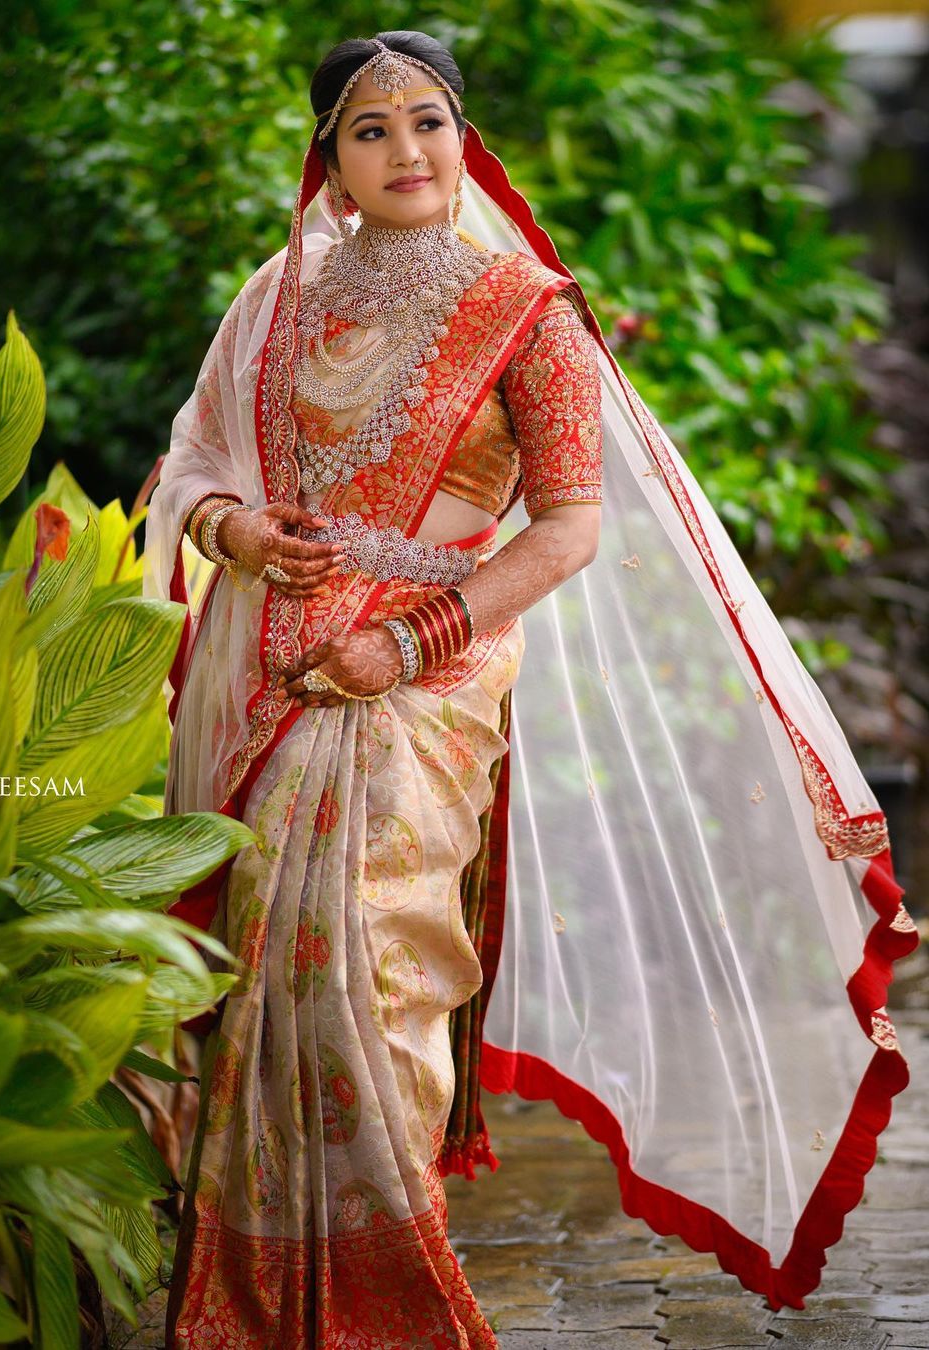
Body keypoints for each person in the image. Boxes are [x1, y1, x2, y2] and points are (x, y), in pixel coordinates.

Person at [142, 29, 918, 1348]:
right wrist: (244, 536)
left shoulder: (526, 312)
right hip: (273, 668)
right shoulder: (274, 296)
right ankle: (258, 1294)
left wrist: (408, 640)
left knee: (371, 978)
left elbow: (566, 531)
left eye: (429, 121)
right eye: (370, 128)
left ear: (465, 138)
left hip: (425, 676)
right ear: (327, 156)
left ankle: (388, 1297)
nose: (405, 150)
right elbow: (191, 472)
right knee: (255, 972)